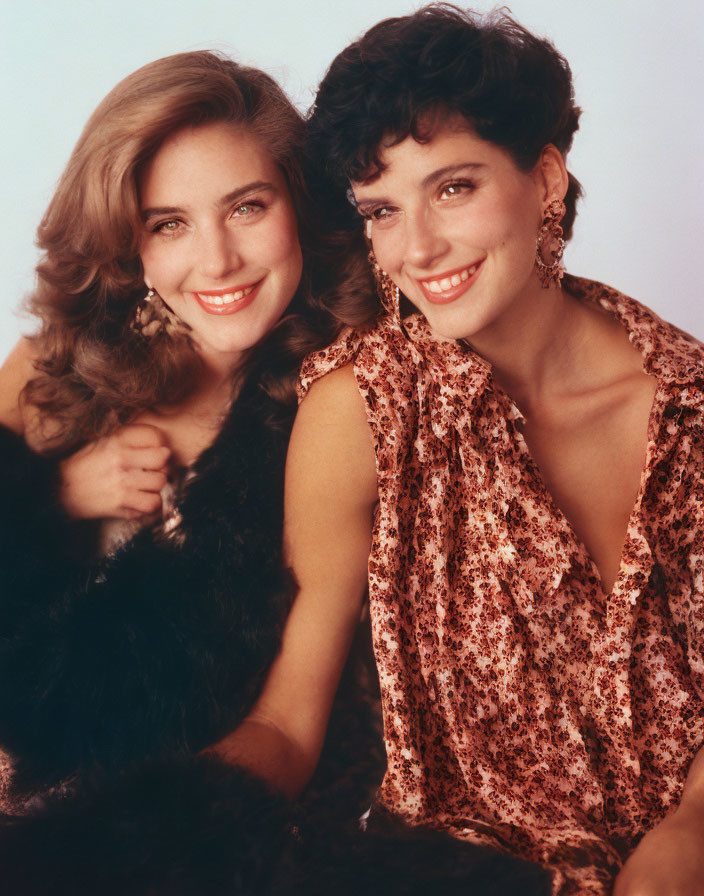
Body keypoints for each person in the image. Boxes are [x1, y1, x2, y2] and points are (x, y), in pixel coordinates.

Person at [209, 6, 704, 896]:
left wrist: (690, 831)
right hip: (467, 873)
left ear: (546, 178)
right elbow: (290, 718)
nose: (416, 248)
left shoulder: (690, 403)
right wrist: (129, 836)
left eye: (453, 188)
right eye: (382, 210)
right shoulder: (360, 408)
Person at [0, 50, 382, 895]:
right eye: (168, 222)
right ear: (127, 240)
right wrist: (54, 498)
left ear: (301, 205)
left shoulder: (338, 404)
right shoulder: (50, 366)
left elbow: (288, 729)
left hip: (162, 825)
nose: (216, 261)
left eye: (247, 207)